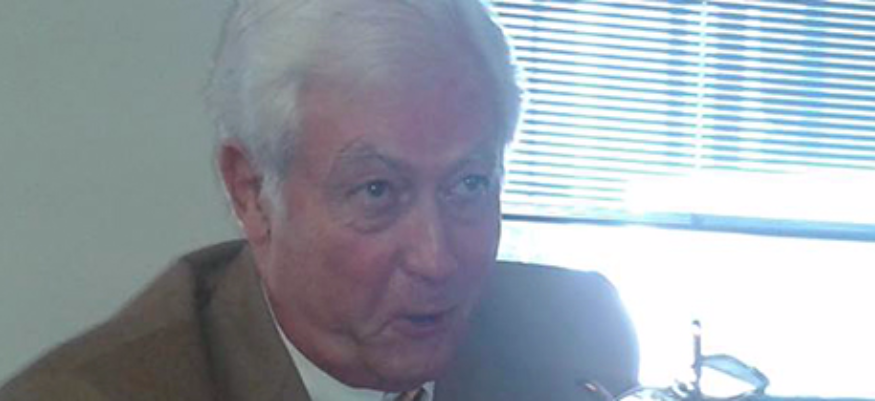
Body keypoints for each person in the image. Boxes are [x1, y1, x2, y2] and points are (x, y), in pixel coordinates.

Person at [0, 0, 639, 399]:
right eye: (377, 191)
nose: (437, 259)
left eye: (469, 184)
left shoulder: (574, 335)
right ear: (252, 192)